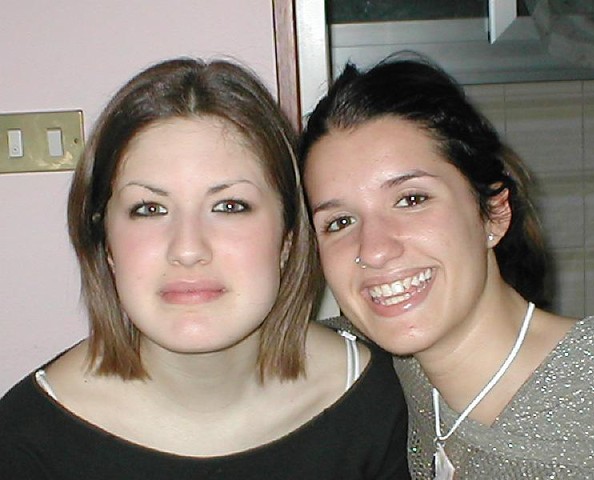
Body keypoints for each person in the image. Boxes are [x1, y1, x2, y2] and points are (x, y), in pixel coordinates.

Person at [0, 58, 411, 479]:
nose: (188, 249)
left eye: (229, 206)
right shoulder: (24, 442)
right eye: (149, 209)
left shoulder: (379, 401)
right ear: (105, 243)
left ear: (288, 237)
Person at [299, 54, 594, 479]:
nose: (375, 250)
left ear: (493, 214)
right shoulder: (374, 371)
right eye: (340, 222)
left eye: (411, 199)